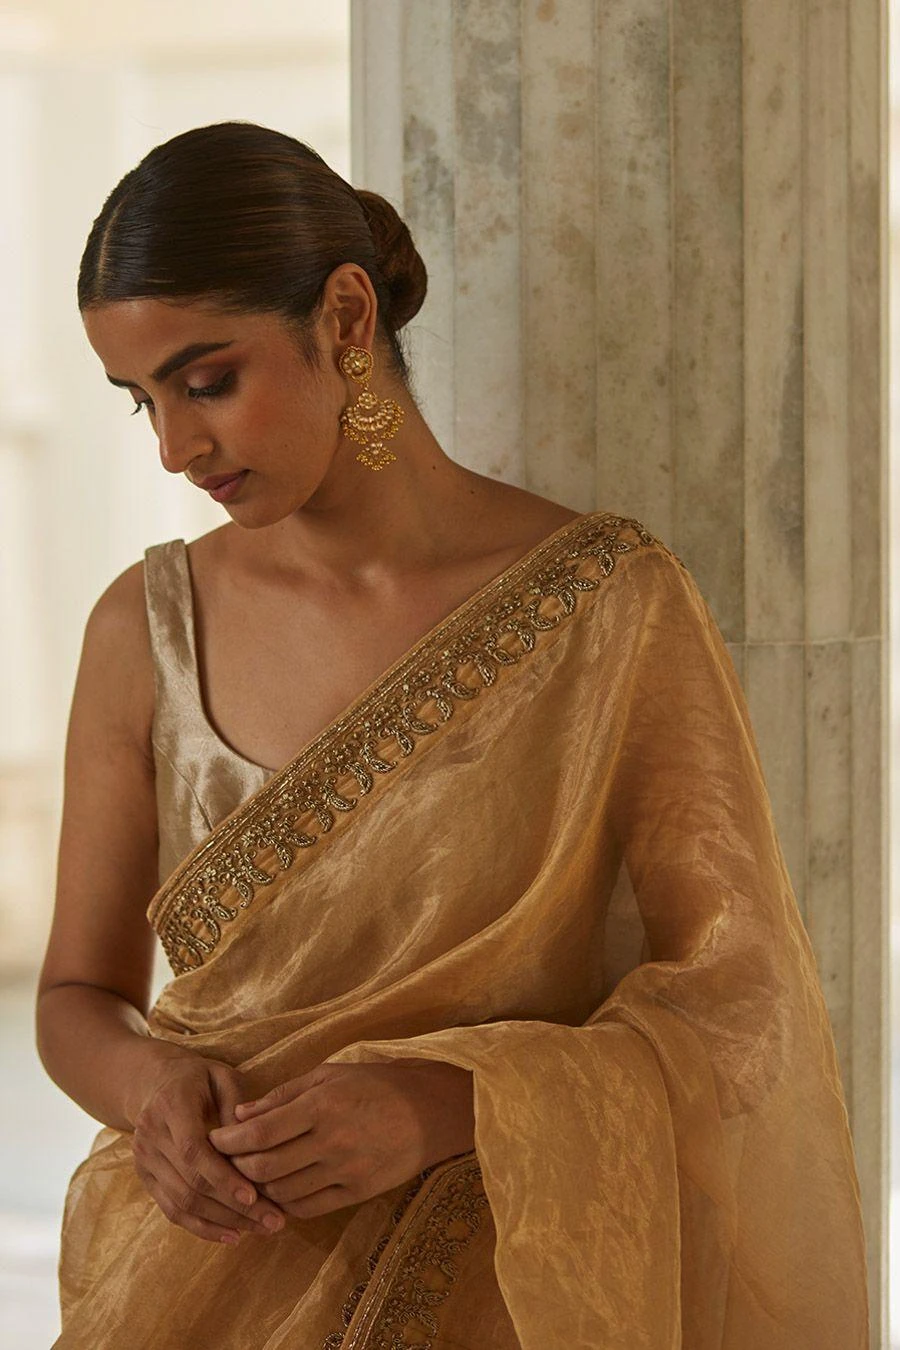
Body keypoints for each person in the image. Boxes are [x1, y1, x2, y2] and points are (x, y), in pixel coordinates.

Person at [36, 120, 869, 1349]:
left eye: (206, 382)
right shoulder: (144, 627)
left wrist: (451, 1102)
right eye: (140, 402)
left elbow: (741, 1000)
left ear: (346, 317)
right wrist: (150, 1086)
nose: (175, 448)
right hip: (194, 1279)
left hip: (499, 1278)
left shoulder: (607, 607)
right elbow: (76, 996)